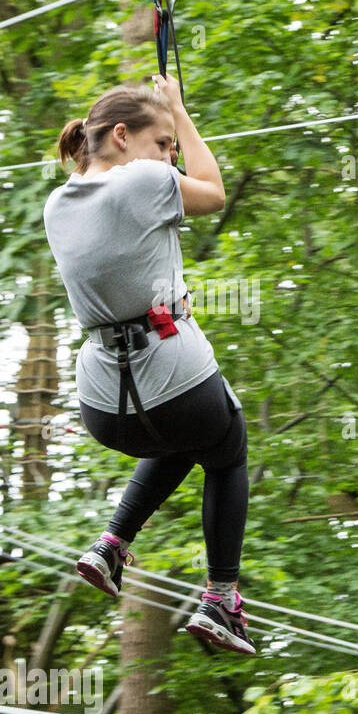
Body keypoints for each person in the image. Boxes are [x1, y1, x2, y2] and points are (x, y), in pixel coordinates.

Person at [42, 76, 254, 655]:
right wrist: (181, 113)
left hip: (103, 408)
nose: (170, 156)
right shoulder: (143, 180)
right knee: (228, 449)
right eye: (163, 144)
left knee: (187, 439)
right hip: (171, 376)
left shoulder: (57, 203)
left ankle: (111, 545)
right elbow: (212, 190)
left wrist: (164, 133)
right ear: (121, 135)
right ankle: (221, 599)